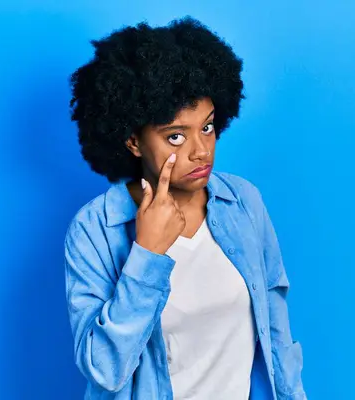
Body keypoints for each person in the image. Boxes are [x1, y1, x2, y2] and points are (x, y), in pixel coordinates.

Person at [64, 16, 306, 400]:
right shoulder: (97, 229)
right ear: (133, 142)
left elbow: (277, 339)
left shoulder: (243, 203)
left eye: (206, 127)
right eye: (175, 136)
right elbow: (103, 370)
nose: (201, 151)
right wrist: (147, 254)